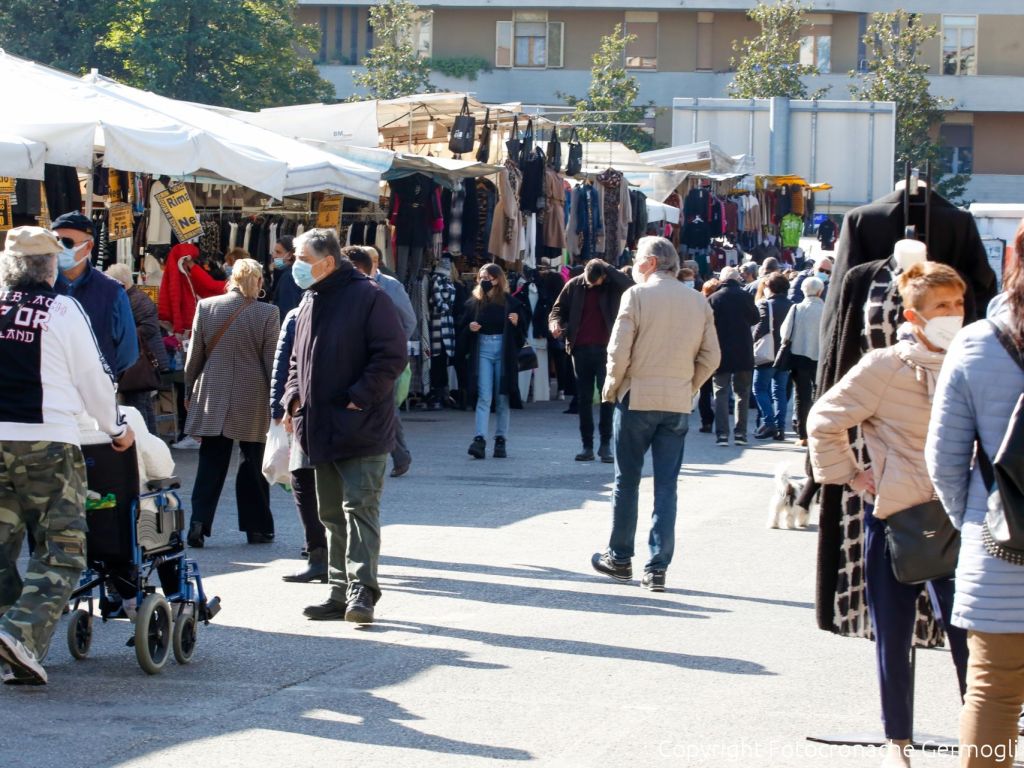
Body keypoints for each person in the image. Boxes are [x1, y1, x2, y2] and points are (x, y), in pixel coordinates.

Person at [808, 261, 970, 768]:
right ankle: (896, 742)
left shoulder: (973, 359)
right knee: (893, 638)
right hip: (900, 517)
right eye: (942, 306)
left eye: (959, 303)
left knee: (971, 637)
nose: (954, 313)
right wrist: (853, 475)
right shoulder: (884, 367)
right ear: (914, 315)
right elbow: (824, 419)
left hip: (963, 520)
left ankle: (984, 741)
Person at [0, 227, 134, 686]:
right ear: (50, 267)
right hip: (47, 442)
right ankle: (18, 633)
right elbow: (93, 377)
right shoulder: (62, 309)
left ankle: (16, 649)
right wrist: (116, 428)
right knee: (64, 549)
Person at [926, 221, 1024, 768]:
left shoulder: (978, 342)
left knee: (993, 692)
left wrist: (976, 520)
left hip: (1001, 551)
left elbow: (944, 459)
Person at [283, 230, 406, 625]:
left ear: (327, 261)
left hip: (360, 426)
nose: (295, 265)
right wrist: (293, 397)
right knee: (332, 514)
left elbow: (392, 355)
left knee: (360, 509)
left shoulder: (369, 296)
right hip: (319, 426)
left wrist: (358, 397)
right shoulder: (310, 298)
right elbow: (296, 360)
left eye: (302, 258)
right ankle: (338, 591)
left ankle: (362, 590)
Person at [592, 237, 720, 592]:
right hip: (676, 401)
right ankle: (657, 566)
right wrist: (688, 385)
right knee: (666, 486)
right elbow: (712, 356)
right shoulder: (698, 301)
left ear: (650, 262)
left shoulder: (636, 295)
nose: (635, 263)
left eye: (637, 258)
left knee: (627, 481)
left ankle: (620, 558)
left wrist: (612, 387)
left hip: (637, 397)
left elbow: (618, 349)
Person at [184, 258, 280, 548]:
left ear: (230, 280)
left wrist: (189, 390)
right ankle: (257, 528)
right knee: (252, 461)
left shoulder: (207, 306)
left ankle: (198, 523)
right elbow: (272, 361)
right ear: (259, 282)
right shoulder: (268, 312)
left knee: (211, 460)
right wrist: (278, 401)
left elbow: (194, 356)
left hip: (213, 389)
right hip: (253, 393)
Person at [548, 259, 633, 462]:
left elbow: (632, 286)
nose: (592, 285)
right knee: (584, 399)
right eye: (589, 282)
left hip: (608, 351)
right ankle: (587, 446)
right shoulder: (575, 285)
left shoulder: (613, 284)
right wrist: (555, 323)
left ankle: (605, 445)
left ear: (605, 275)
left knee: (607, 396)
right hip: (580, 349)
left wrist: (609, 268)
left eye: (596, 281)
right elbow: (557, 310)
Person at [270, 301, 328, 584]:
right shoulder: (297, 315)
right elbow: (286, 365)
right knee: (302, 479)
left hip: (337, 414)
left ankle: (328, 553)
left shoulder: (361, 305)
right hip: (304, 411)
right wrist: (280, 407)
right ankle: (318, 553)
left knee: (327, 484)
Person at [350, 246, 416, 477]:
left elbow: (409, 321)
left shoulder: (390, 286)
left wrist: (392, 347)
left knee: (386, 407)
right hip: (360, 358)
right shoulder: (351, 287)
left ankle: (400, 455)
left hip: (385, 359)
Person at [51, 211, 139, 376]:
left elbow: (127, 354)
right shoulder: (39, 286)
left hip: (94, 387)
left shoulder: (112, 291)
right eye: (55, 241)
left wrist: (101, 372)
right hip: (48, 386)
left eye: (67, 242)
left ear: (88, 247)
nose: (60, 248)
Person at [460, 263, 527, 460]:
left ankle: (500, 439)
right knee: (484, 396)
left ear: (498, 279)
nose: (484, 281)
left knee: (502, 396)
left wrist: (516, 323)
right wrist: (470, 328)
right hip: (483, 348)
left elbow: (521, 336)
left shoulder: (511, 303)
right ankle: (479, 439)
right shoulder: (474, 303)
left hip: (503, 350)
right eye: (481, 277)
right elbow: (462, 327)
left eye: (488, 277)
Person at [105, 263, 170, 434]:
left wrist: (121, 333)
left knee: (137, 406)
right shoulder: (136, 297)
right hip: (142, 360)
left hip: (141, 362)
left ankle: (144, 441)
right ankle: (151, 439)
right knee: (143, 404)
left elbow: (149, 328)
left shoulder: (135, 299)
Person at [708, 266, 759, 446]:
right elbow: (755, 318)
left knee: (720, 392)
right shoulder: (746, 296)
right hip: (743, 350)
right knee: (742, 393)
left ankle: (722, 434)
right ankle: (740, 434)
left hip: (720, 351)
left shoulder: (714, 298)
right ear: (738, 279)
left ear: (721, 280)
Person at [779, 276, 825, 446]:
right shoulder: (826, 309)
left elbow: (785, 333)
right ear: (820, 291)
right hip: (821, 357)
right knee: (821, 394)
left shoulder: (796, 308)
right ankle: (820, 432)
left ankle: (803, 435)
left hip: (799, 356)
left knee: (801, 396)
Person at [753, 273, 794, 441]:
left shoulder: (766, 304)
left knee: (759, 389)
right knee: (780, 392)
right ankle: (780, 428)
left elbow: (761, 327)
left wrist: (751, 341)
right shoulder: (792, 305)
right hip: (785, 354)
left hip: (767, 353)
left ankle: (769, 422)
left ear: (770, 288)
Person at [696, 278, 723, 432]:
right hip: (719, 351)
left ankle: (706, 421)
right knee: (718, 389)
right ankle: (720, 423)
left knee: (704, 390)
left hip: (703, 352)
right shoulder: (722, 305)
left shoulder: (701, 306)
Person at [271, 236, 303, 318]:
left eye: (278, 252)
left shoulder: (289, 277)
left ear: (289, 255)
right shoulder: (295, 273)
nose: (274, 256)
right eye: (274, 252)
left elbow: (285, 310)